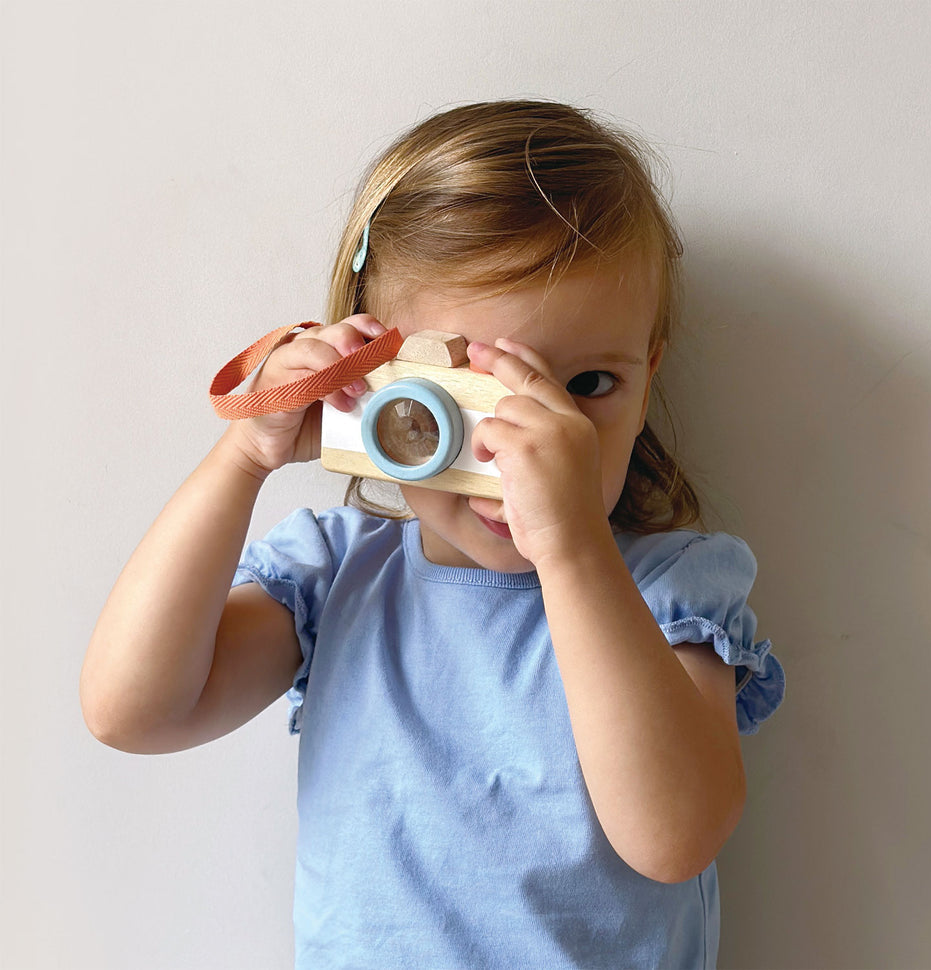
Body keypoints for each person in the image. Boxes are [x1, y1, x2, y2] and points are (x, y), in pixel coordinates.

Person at [81, 99, 784, 968]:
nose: (522, 448)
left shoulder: (670, 591)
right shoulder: (336, 578)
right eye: (470, 400)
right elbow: (131, 711)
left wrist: (569, 549)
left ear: (649, 379)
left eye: (590, 384)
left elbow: (674, 837)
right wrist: (243, 456)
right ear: (379, 386)